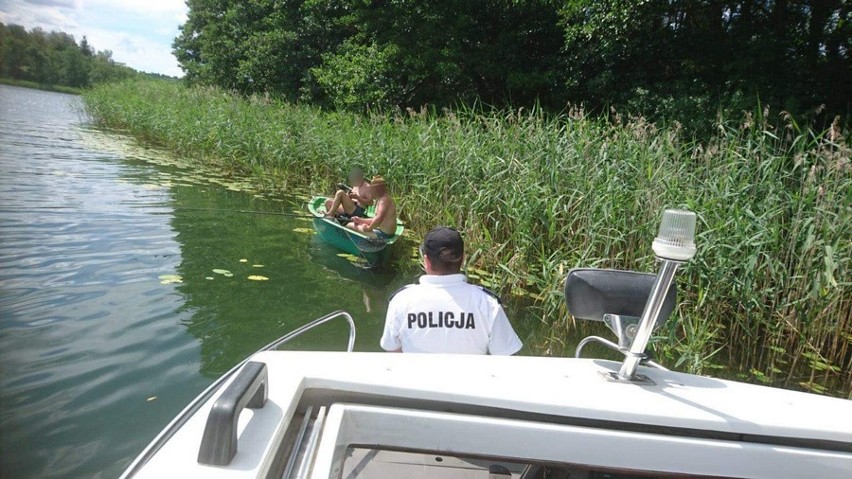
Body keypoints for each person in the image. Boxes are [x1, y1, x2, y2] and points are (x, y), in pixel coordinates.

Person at [380, 226, 522, 354]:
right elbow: (506, 355)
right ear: (464, 259)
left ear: (426, 261)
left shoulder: (401, 300)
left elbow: (392, 350)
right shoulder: (487, 303)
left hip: (416, 382)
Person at [347, 176, 398, 241]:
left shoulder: (383, 201)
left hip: (383, 235)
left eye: (372, 189)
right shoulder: (385, 198)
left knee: (349, 225)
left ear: (377, 189)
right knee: (359, 223)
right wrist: (360, 220)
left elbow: (379, 219)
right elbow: (376, 219)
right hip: (384, 231)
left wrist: (368, 228)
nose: (371, 191)